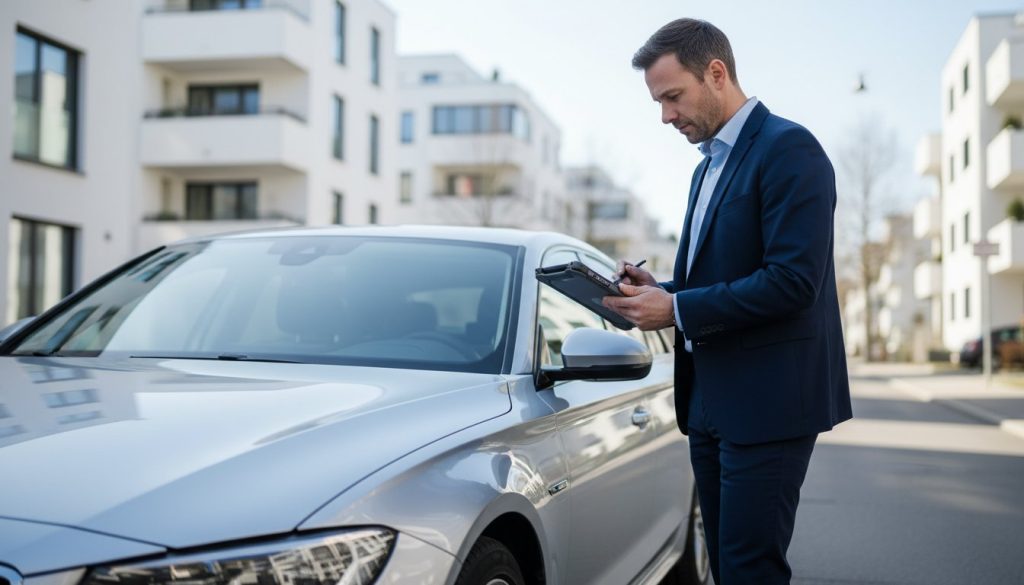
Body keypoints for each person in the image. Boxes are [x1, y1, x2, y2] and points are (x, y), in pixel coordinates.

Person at [601, 18, 852, 585]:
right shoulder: (705, 168)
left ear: (716, 73)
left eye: (672, 96)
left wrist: (676, 311)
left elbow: (793, 281)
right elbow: (721, 277)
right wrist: (659, 291)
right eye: (658, 102)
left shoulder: (790, 149)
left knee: (749, 570)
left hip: (769, 403)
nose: (665, 115)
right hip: (708, 402)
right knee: (723, 566)